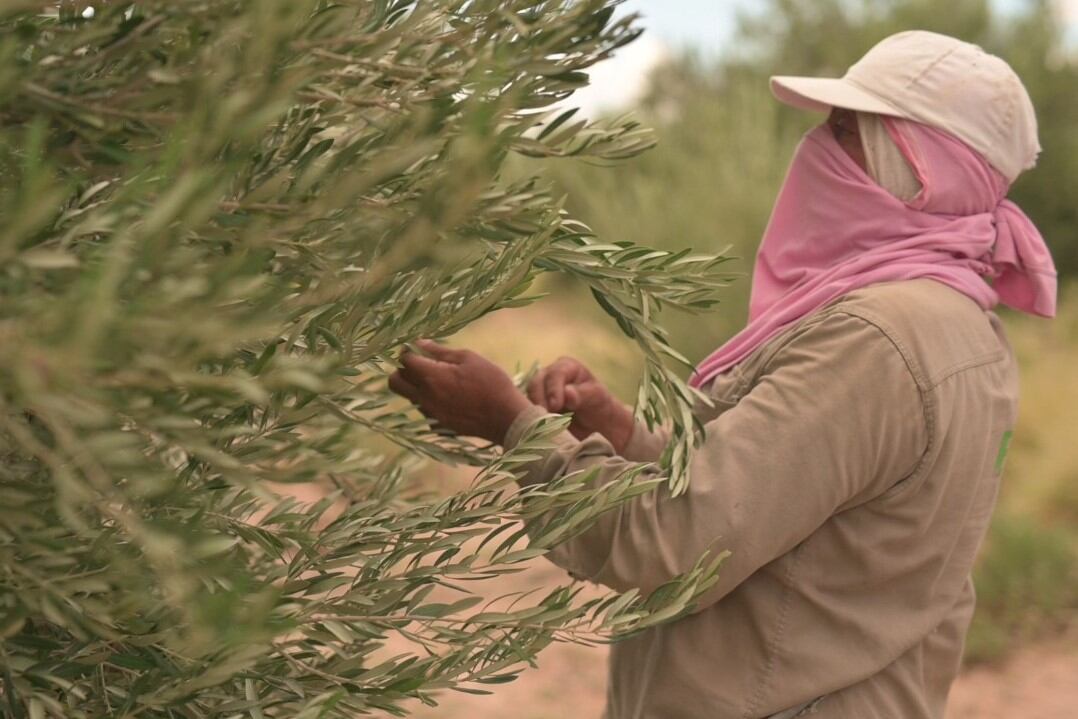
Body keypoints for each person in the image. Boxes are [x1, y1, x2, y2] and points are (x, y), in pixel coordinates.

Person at [387, 31, 1057, 719]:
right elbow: (777, 499)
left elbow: (674, 543)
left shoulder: (874, 340)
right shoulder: (965, 322)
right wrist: (620, 432)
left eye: (848, 131)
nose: (817, 146)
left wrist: (513, 424)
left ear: (920, 170)